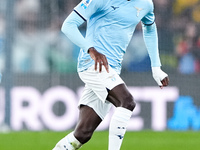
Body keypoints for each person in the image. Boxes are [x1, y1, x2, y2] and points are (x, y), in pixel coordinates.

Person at [52, 0, 169, 150]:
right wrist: (91, 50)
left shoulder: (145, 4)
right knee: (127, 102)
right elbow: (68, 25)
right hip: (92, 64)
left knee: (82, 134)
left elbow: (150, 29)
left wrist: (156, 67)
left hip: (112, 69)